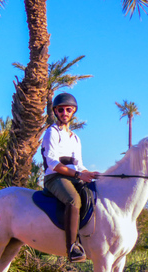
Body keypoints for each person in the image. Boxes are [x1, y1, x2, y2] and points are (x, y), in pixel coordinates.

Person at [40, 92, 99, 263]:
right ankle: (72, 247)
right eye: (60, 110)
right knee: (73, 200)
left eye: (68, 109)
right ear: (55, 112)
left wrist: (92, 174)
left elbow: (79, 164)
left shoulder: (76, 138)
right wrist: (79, 174)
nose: (64, 113)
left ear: (73, 112)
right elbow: (52, 162)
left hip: (73, 176)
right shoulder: (52, 132)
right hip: (55, 178)